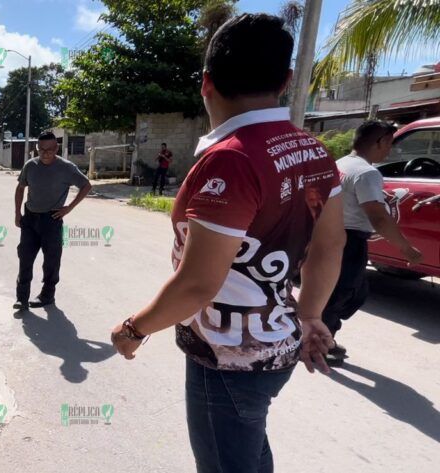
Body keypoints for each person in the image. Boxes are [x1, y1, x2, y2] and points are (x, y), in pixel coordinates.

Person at [109, 14, 344, 473]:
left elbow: (197, 284)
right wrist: (311, 314)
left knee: (225, 460)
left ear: (206, 83)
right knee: (249, 448)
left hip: (228, 358)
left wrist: (133, 329)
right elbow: (329, 247)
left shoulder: (231, 160)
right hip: (279, 345)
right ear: (287, 80)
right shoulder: (314, 150)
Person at [323, 120, 422, 366]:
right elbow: (377, 216)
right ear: (378, 142)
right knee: (344, 294)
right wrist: (406, 248)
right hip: (350, 240)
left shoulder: (340, 164)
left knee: (340, 291)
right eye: (389, 143)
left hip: (331, 236)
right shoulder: (367, 173)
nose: (389, 150)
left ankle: (319, 336)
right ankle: (320, 343)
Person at [13, 132, 93, 309]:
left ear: (56, 148)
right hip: (30, 219)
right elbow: (20, 189)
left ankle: (47, 295)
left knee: (51, 260)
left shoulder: (67, 168)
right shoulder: (30, 166)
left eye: (49, 149)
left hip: (52, 220)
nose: (45, 153)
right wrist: (18, 213)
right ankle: (22, 298)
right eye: (41, 149)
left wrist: (69, 208)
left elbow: (86, 186)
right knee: (25, 258)